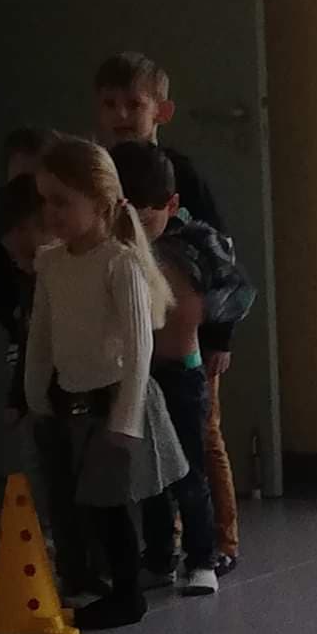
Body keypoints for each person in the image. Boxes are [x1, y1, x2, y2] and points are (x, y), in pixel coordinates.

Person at [24, 137, 187, 631]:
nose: (50, 213)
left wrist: (126, 417)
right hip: (76, 401)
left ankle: (129, 595)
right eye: (45, 201)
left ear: (99, 203)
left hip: (117, 401)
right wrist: (35, 389)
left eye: (62, 201)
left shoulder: (120, 263)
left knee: (113, 503)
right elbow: (41, 333)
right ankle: (107, 581)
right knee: (93, 501)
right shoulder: (51, 263)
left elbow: (139, 348)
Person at [94, 51, 242, 573]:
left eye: (133, 104)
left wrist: (219, 335)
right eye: (109, 103)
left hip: (186, 339)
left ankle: (221, 542)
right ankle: (163, 543)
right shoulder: (98, 172)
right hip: (132, 339)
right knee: (148, 436)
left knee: (202, 435)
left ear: (161, 110)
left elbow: (221, 256)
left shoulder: (182, 174)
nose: (121, 115)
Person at [112, 143, 254, 597]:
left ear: (171, 206)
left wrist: (212, 331)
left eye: (146, 216)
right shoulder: (113, 251)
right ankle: (159, 557)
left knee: (190, 471)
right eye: (125, 215)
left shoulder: (194, 245)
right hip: (137, 374)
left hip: (183, 372)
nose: (136, 227)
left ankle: (202, 557)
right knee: (149, 474)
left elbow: (237, 290)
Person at [0, 176, 51, 426]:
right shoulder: (29, 288)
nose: (25, 266)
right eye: (15, 258)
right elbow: (28, 346)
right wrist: (16, 401)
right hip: (45, 409)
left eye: (31, 254)